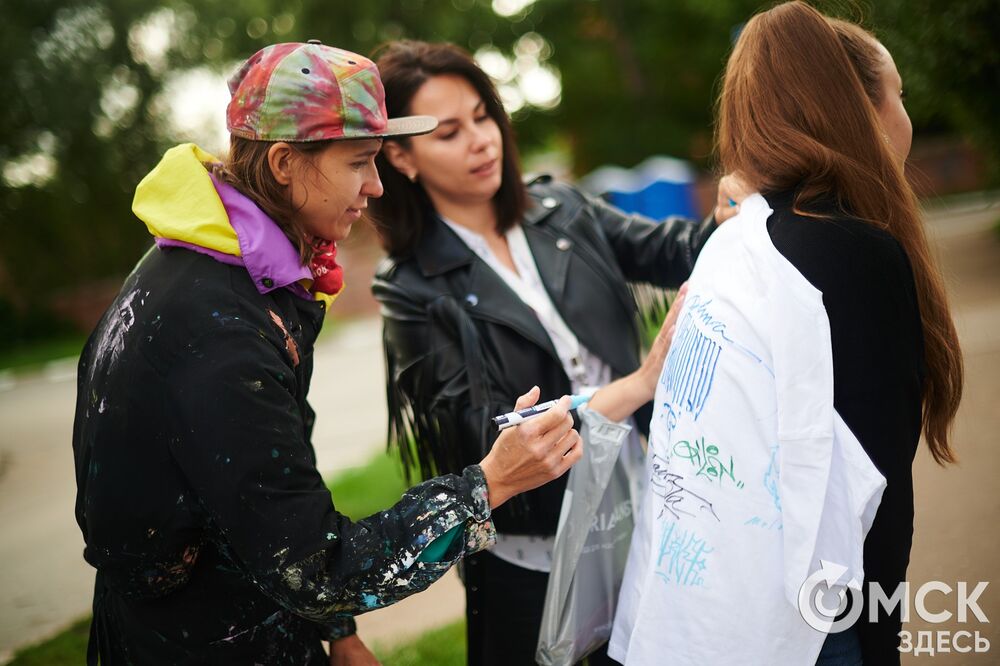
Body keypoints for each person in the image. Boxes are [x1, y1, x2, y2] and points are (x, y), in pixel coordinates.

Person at [72, 40, 584, 666]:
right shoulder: (221, 328)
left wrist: (336, 630)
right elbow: (316, 565)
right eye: (360, 162)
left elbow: (274, 492)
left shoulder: (226, 265)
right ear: (285, 162)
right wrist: (491, 482)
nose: (375, 185)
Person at [606, 3, 964, 665]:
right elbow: (878, 492)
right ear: (857, 109)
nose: (906, 116)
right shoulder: (855, 255)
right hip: (815, 628)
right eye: (900, 96)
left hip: (710, 612)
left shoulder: (732, 244)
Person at [368, 40, 742, 665]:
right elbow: (480, 434)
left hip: (647, 512)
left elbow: (676, 248)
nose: (482, 141)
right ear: (401, 155)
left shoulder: (562, 210)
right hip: (535, 560)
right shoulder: (410, 287)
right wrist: (640, 384)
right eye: (450, 132)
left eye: (484, 116)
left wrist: (735, 214)